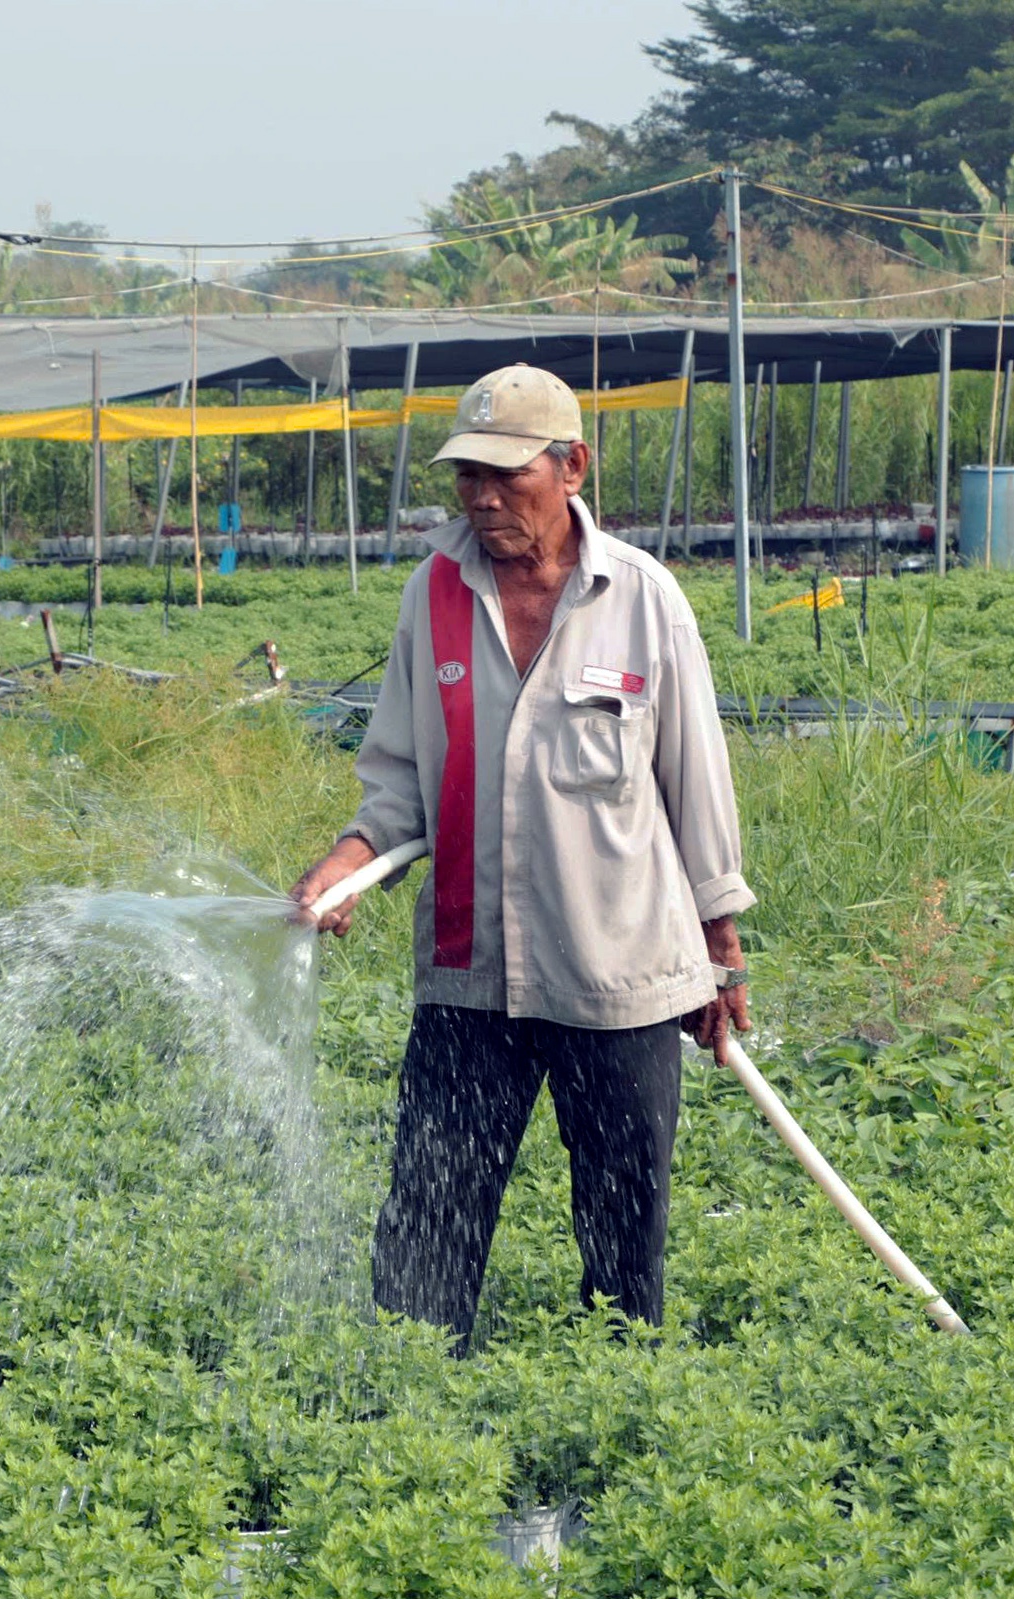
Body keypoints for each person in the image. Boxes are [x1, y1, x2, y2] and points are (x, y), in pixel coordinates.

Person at [290, 363, 754, 1352]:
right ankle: (407, 1414)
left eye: (508, 475)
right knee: (427, 1221)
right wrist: (347, 859)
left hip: (618, 970)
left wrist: (719, 947)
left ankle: (615, 1409)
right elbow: (397, 781)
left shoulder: (642, 598)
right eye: (468, 477)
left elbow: (695, 784)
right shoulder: (435, 594)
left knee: (623, 1231)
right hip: (472, 968)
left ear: (573, 467)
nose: (484, 498)